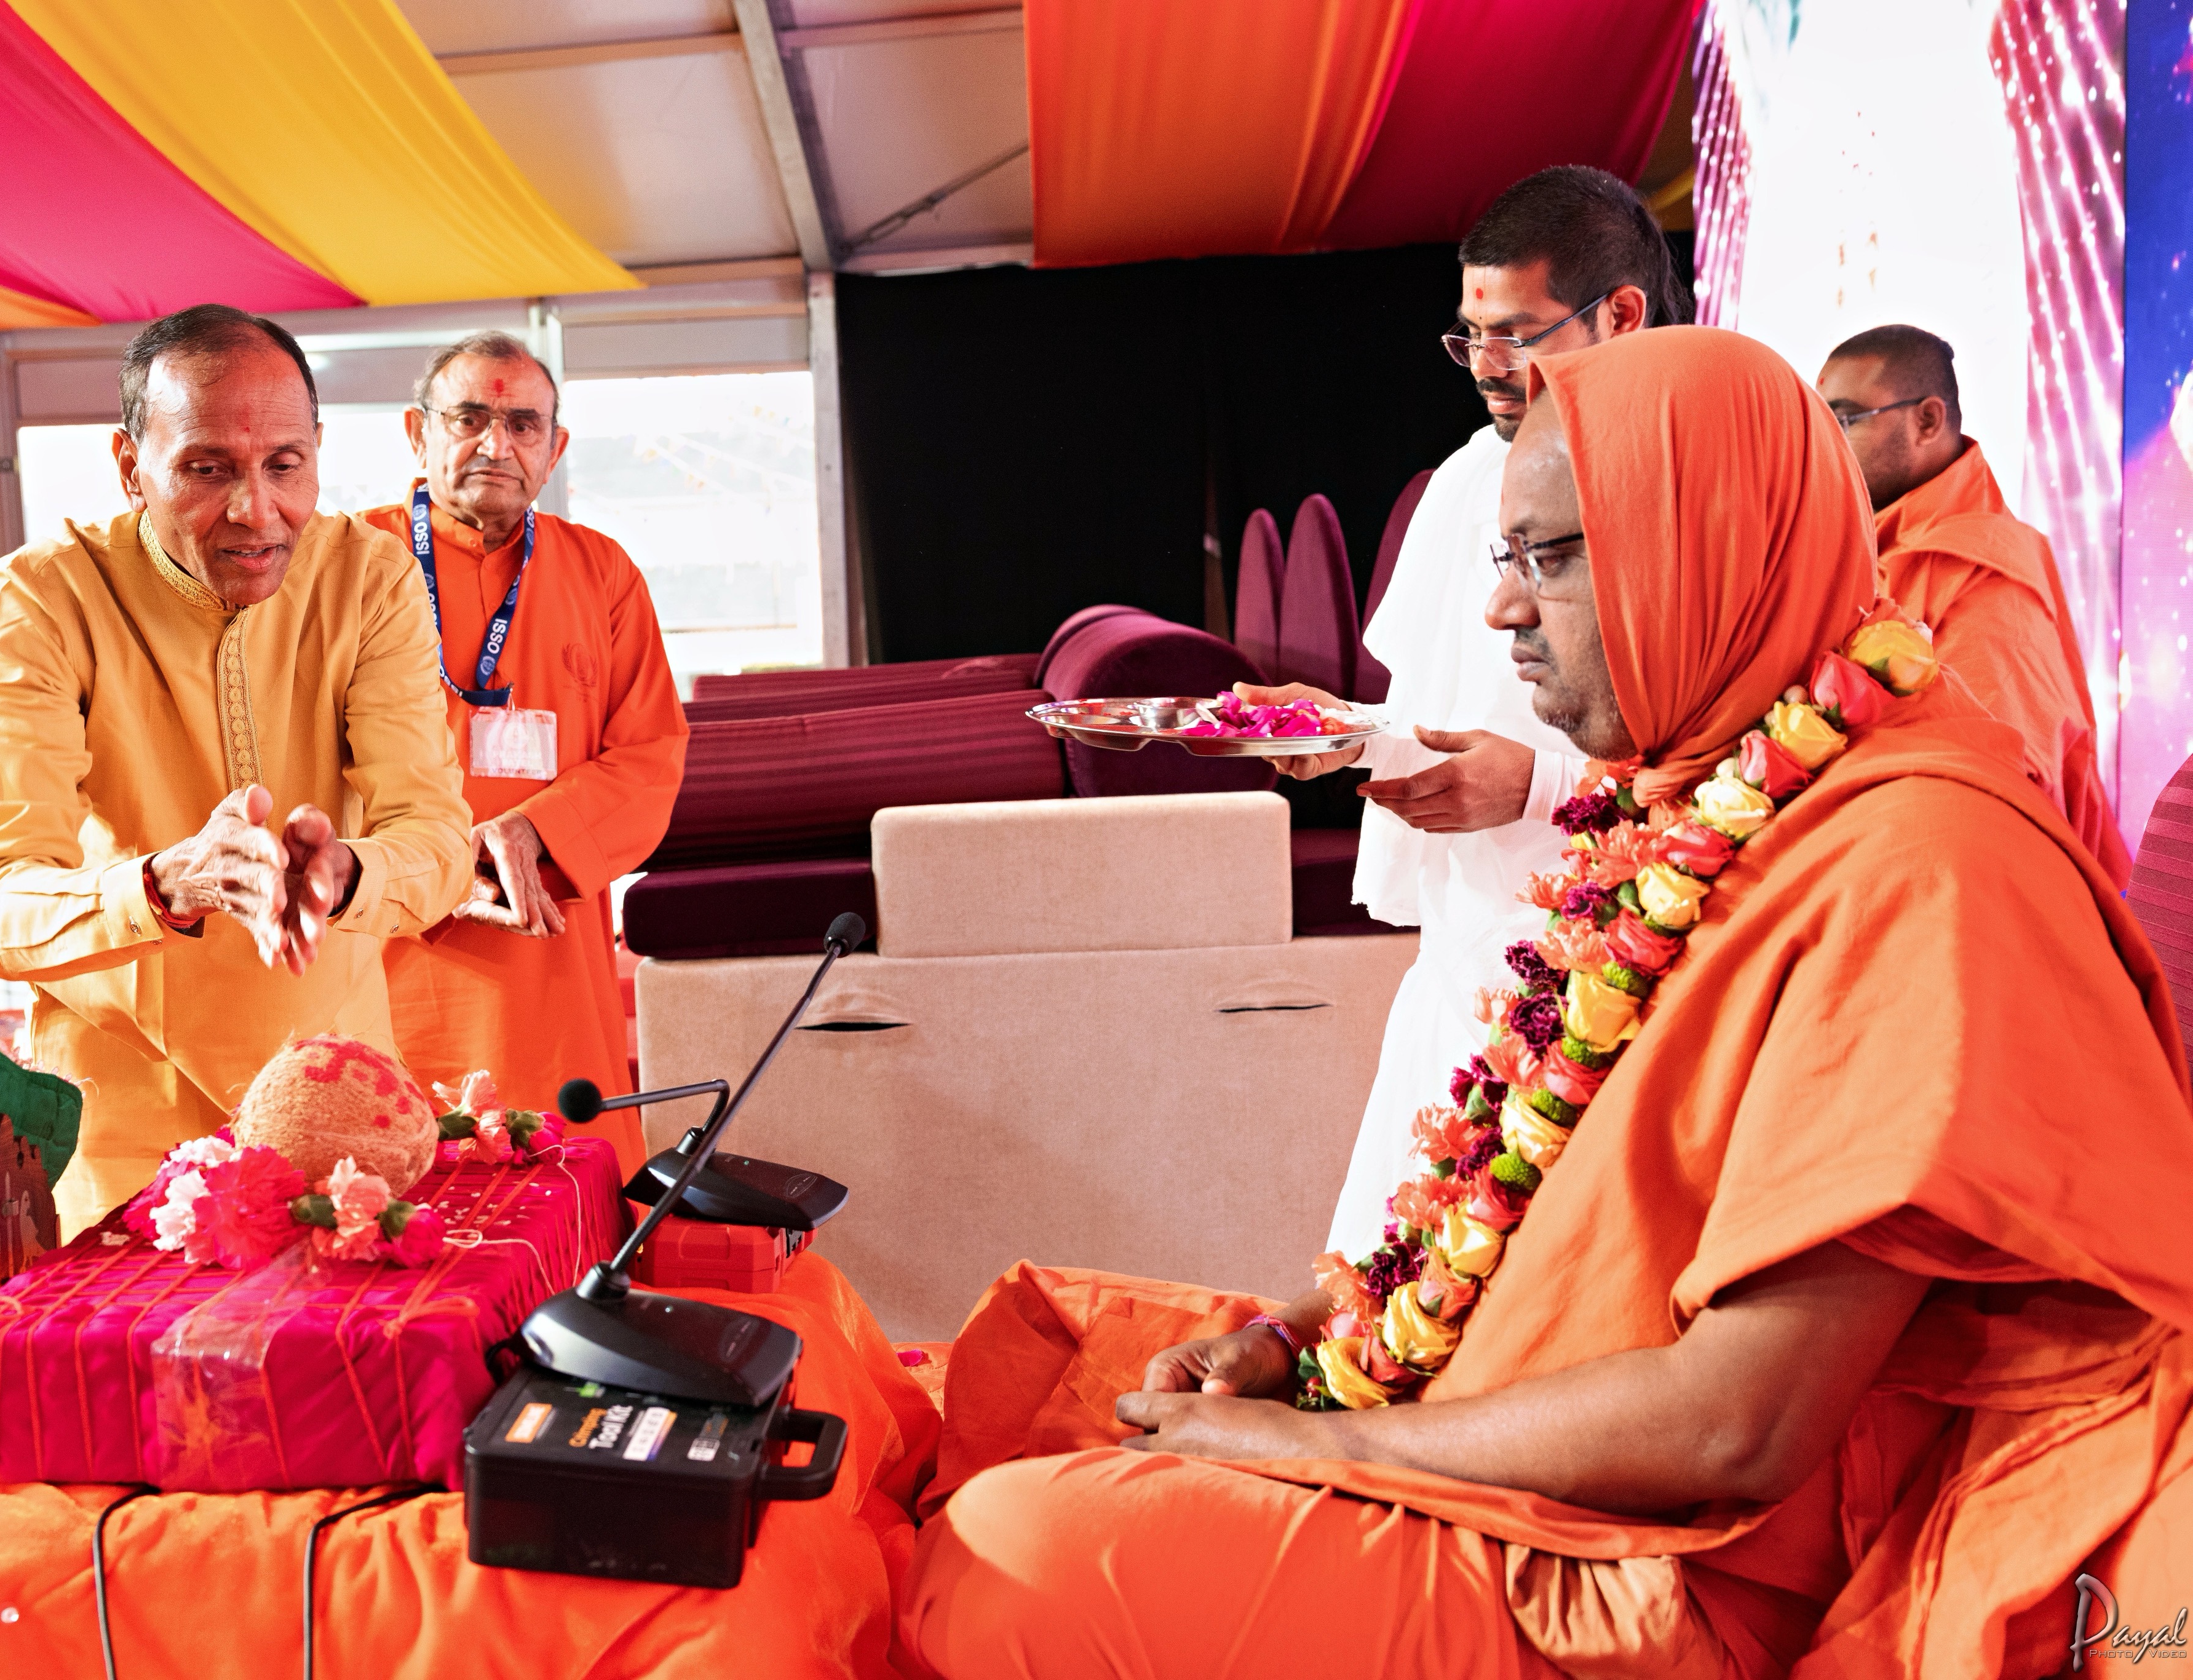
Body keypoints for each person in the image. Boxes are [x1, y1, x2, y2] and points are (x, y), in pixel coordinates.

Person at [901, 328, 2193, 1678]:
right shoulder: (1691, 802)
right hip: (1499, 1419)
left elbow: (1736, 1430)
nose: (1503, 612)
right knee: (1019, 1393)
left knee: (1018, 1559)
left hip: (1668, 1565)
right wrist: (1294, 1338)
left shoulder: (1924, 870)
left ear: (1713, 550)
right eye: (1506, 558)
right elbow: (1506, 1208)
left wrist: (1321, 1446)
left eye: (1554, 558)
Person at [0, 304, 471, 1236]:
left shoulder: (369, 578)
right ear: (130, 465)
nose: (254, 511)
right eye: (207, 469)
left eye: (284, 466)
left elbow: (437, 842)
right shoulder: (45, 597)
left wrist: (351, 871)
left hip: (339, 1103)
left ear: (318, 453)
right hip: (122, 1121)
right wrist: (162, 884)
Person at [1245, 167, 1692, 1254]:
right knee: (1391, 1291)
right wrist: (1350, 734)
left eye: (1515, 334)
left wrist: (1540, 788)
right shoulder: (1465, 478)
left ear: (1621, 314)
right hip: (1469, 954)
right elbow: (1455, 708)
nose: (1487, 365)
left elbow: (1750, 765)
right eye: (1470, 336)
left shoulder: (1695, 470)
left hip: (1635, 964)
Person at [360, 333, 685, 1174]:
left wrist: (538, 828)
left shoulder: (602, 572)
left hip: (548, 957)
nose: (496, 445)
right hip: (386, 951)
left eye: (522, 424)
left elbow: (651, 754)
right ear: (417, 433)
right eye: (468, 418)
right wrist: (440, 861)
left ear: (555, 447)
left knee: (561, 1193)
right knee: (383, 1196)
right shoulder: (349, 564)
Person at [1817, 323, 2132, 881]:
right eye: (1819, 424)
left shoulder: (1983, 571)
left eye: (1844, 421)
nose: (1825, 447)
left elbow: (2000, 785)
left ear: (1928, 421)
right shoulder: (1855, 548)